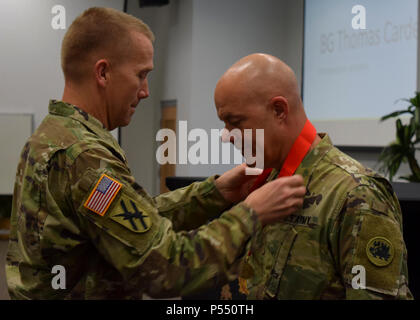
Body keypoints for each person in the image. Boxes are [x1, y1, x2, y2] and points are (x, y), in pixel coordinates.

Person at [5, 8, 306, 300]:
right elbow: (166, 267)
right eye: (141, 74)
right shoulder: (83, 157)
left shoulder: (53, 136)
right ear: (103, 72)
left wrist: (214, 193)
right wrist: (249, 214)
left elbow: (133, 220)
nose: (146, 90)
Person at [214, 53, 413, 300]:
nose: (226, 136)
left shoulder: (357, 194)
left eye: (235, 122)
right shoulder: (265, 182)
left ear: (279, 110)